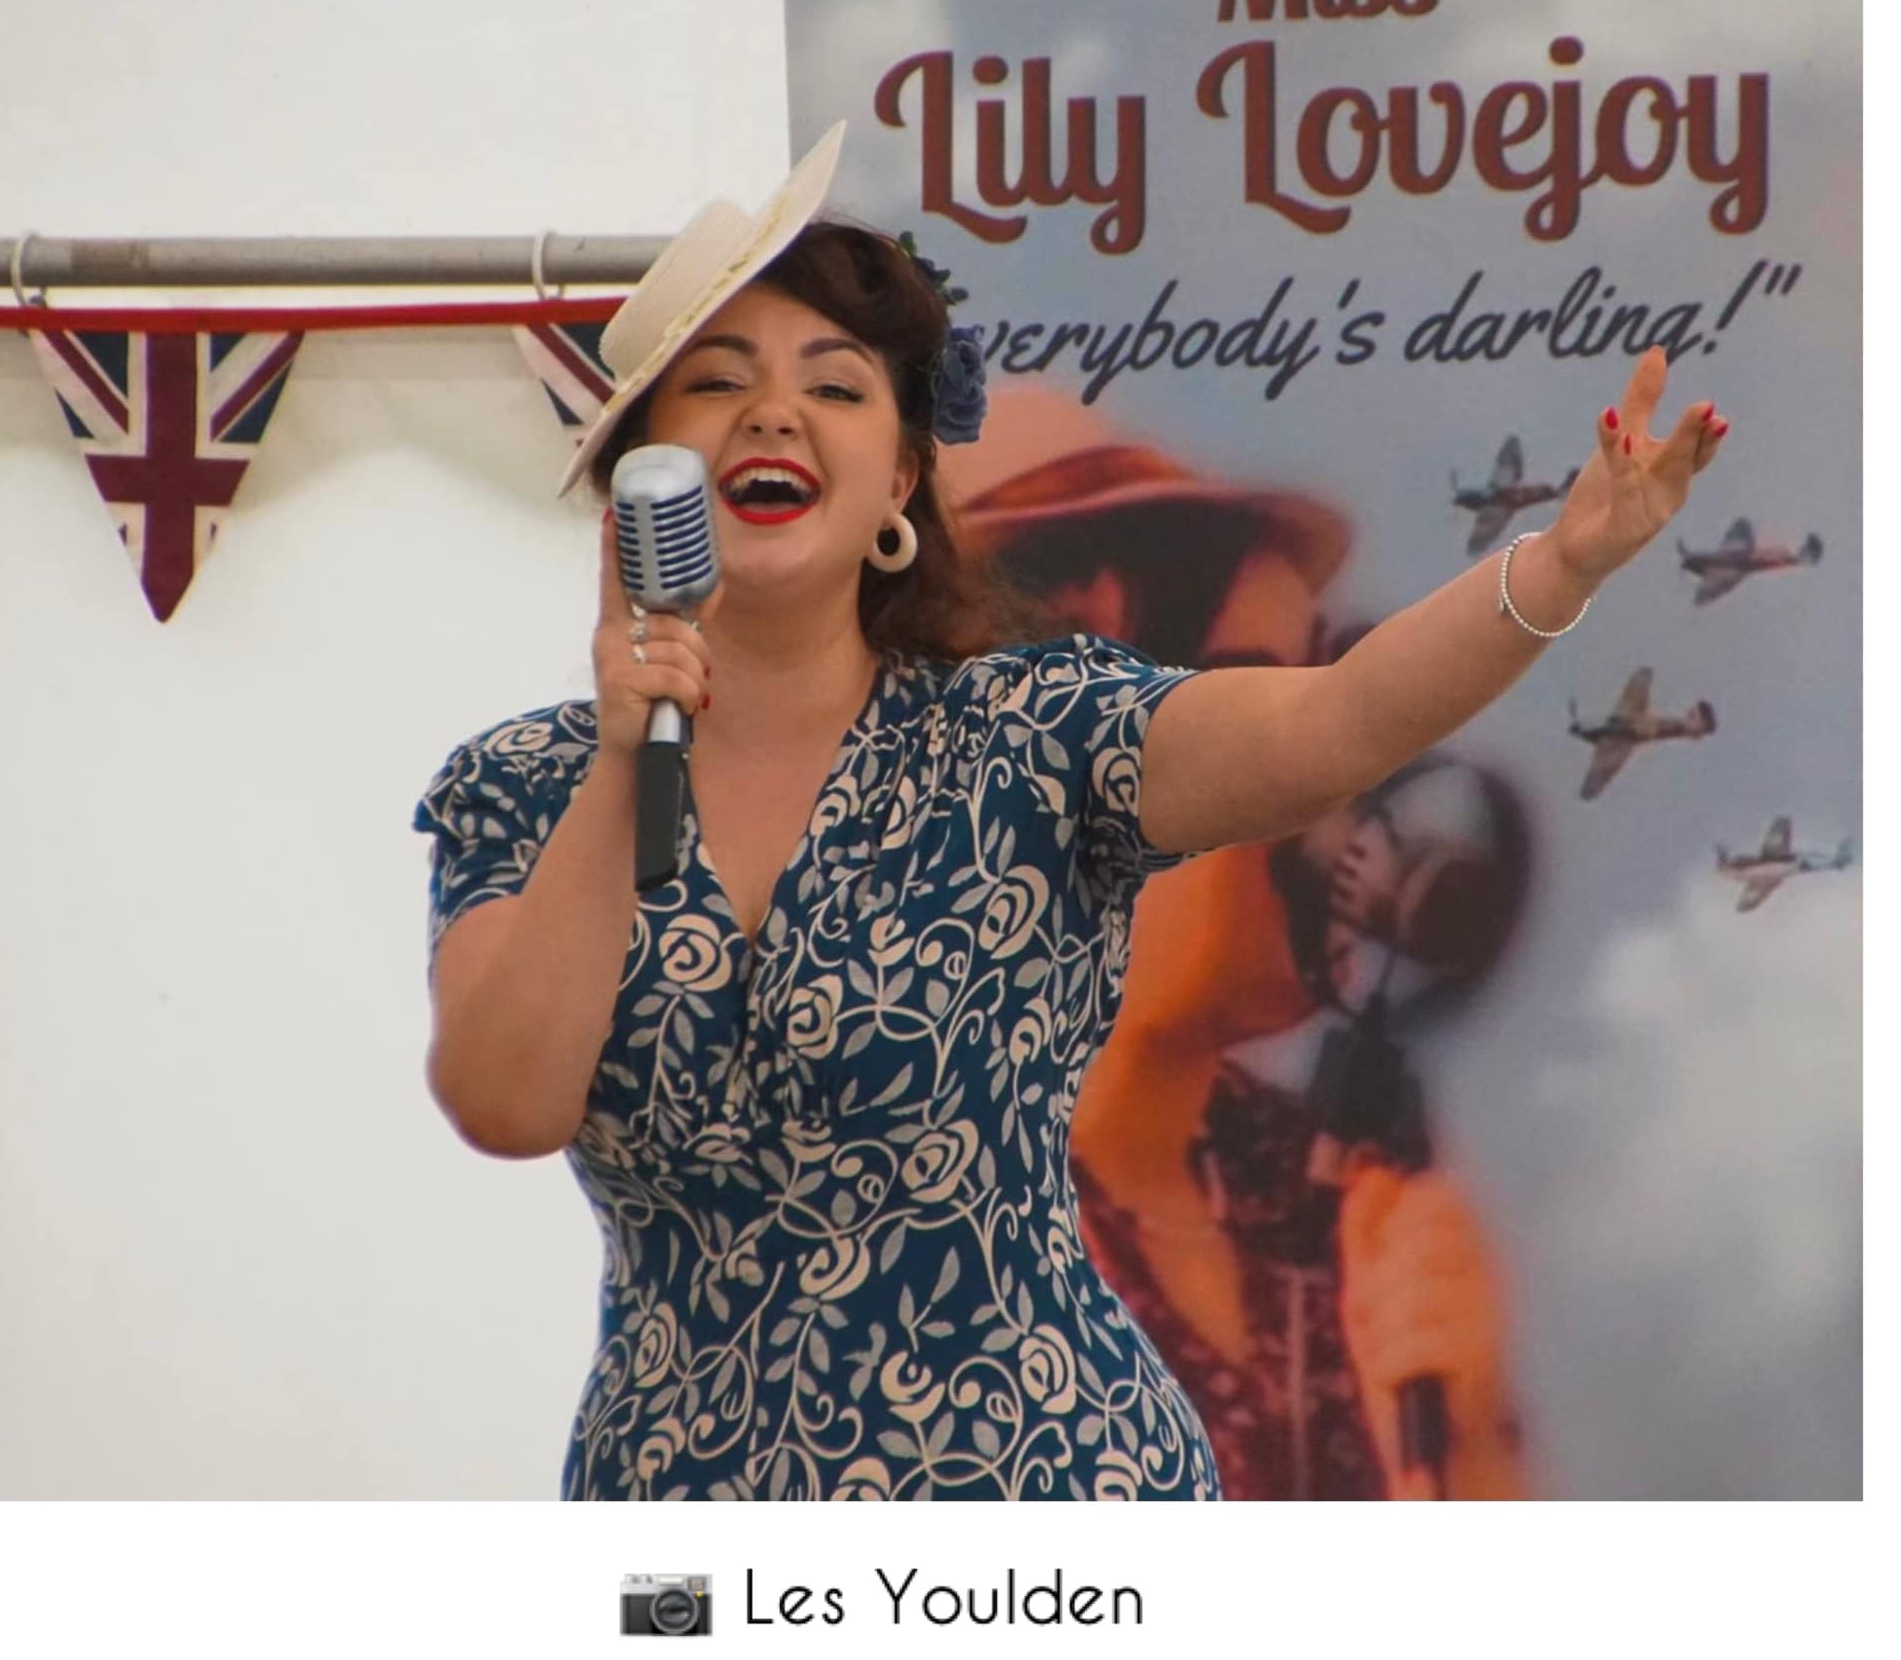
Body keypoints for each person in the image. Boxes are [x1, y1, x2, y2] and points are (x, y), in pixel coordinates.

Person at [412, 122, 1731, 1501]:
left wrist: (1565, 563)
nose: (774, 413)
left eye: (837, 385)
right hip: (690, 1517)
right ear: (642, 470)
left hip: (1051, 1501)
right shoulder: (525, 785)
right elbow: (505, 1101)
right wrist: (630, 756)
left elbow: (1336, 723)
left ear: (901, 487)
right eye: (719, 380)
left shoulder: (1034, 737)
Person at [946, 388, 1532, 1497]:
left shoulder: (1324, 1190)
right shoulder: (876, 1205)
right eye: (1267, 701)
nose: (1341, 768)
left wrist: (1469, 1448)